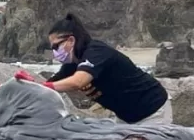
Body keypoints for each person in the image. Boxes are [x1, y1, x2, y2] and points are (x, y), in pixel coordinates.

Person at [42, 13, 173, 124]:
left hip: (153, 110)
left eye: (56, 47)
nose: (54, 52)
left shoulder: (96, 52)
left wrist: (48, 86)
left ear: (71, 40)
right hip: (126, 117)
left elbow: (78, 81)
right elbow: (48, 85)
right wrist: (34, 84)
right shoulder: (72, 65)